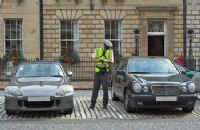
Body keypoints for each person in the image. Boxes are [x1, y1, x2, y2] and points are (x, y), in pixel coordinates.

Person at [90, 40, 114, 109]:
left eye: (109, 47)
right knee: (95, 89)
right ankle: (92, 104)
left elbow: (112, 61)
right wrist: (99, 59)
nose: (109, 48)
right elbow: (93, 58)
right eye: (108, 47)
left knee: (105, 90)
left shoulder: (110, 52)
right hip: (97, 72)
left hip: (105, 73)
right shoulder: (97, 50)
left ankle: (105, 105)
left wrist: (107, 61)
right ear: (104, 45)